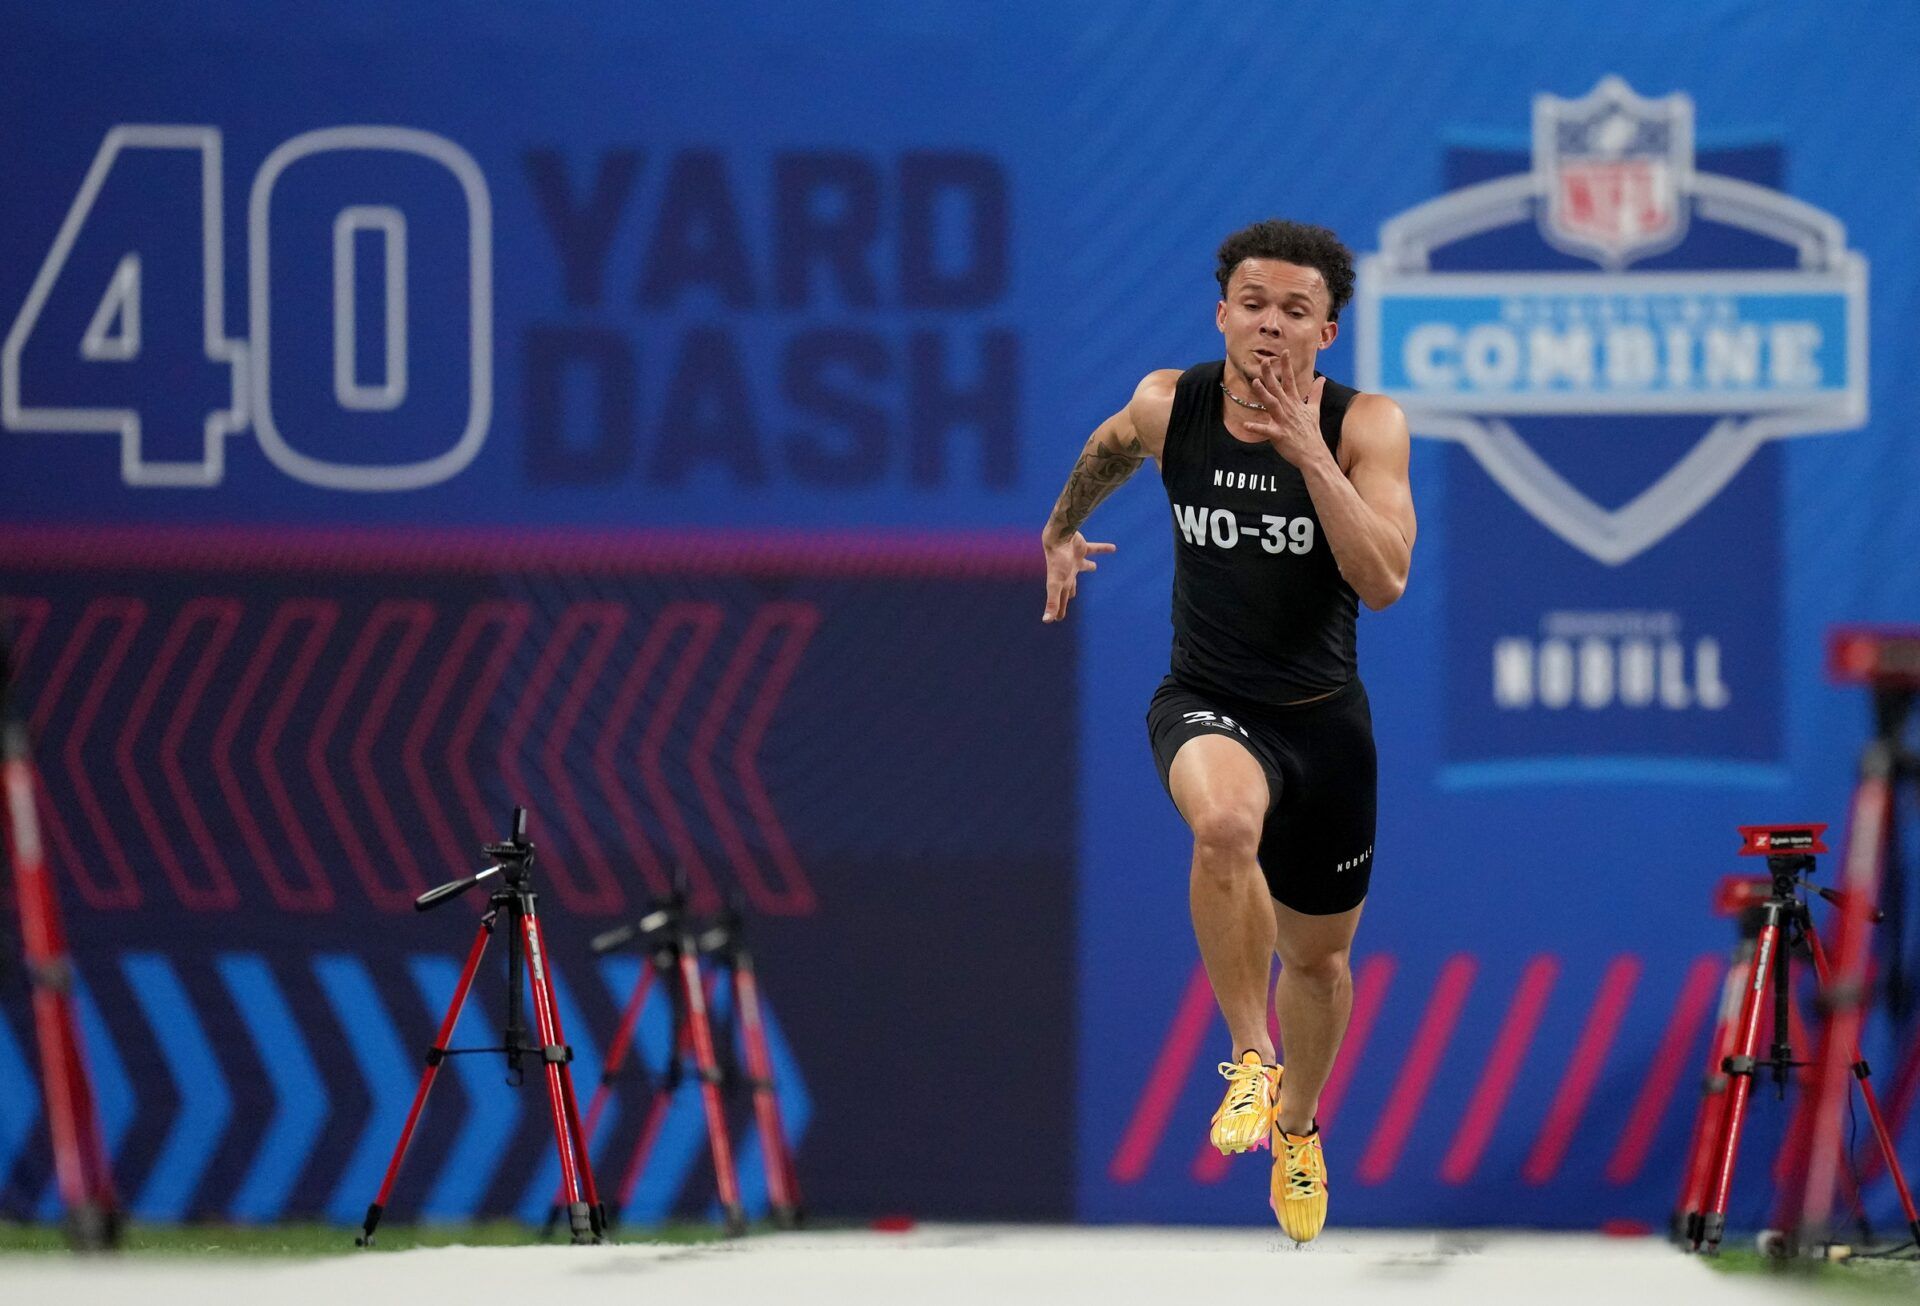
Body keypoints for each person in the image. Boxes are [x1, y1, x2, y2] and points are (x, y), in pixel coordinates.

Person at [1039, 219, 1415, 1241]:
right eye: (1253, 305)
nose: (1270, 326)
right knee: (1223, 827)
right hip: (1207, 699)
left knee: (1322, 965)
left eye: (1295, 312)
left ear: (1325, 332)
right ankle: (1250, 1058)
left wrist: (1307, 451)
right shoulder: (1174, 403)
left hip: (1325, 725)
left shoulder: (1365, 425)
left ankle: (1297, 1125)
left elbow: (1383, 580)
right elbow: (1109, 445)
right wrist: (1062, 525)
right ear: (1222, 314)